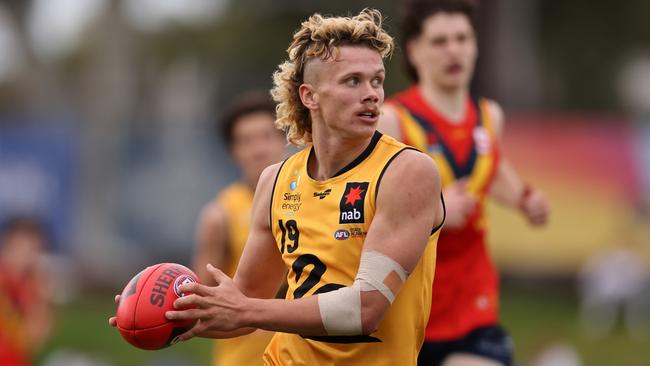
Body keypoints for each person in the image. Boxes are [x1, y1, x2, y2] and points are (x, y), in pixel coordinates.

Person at [111, 8, 445, 365]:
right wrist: (172, 313)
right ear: (309, 96)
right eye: (353, 81)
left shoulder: (407, 171)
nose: (372, 94)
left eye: (377, 80)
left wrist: (246, 310)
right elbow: (243, 300)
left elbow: (364, 309)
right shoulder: (276, 181)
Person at [378, 1, 550, 365]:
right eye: (440, 41)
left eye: (462, 38)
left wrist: (524, 199)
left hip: (473, 300)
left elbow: (491, 169)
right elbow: (367, 204)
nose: (454, 49)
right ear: (414, 51)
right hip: (408, 305)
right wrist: (436, 209)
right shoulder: (392, 120)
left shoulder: (490, 115)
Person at [192, 92, 287, 365]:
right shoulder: (219, 216)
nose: (259, 149)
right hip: (244, 359)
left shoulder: (311, 200)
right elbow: (200, 301)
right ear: (234, 151)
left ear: (283, 139)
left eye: (267, 136)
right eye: (246, 141)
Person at [0, 216, 54, 366]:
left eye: (37, 250)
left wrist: (42, 301)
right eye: (28, 248)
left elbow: (35, 339)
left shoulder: (33, 285)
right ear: (10, 245)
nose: (32, 257)